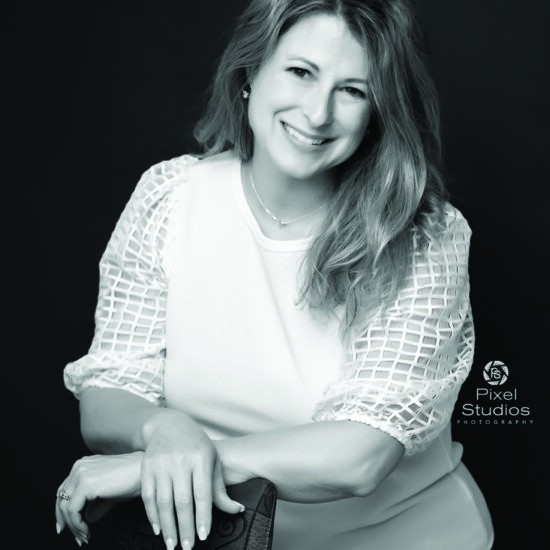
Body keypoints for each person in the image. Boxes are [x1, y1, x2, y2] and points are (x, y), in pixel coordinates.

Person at [55, 0, 494, 549]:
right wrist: (161, 430)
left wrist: (167, 462)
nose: (317, 113)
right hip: (228, 542)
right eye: (301, 72)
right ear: (249, 73)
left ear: (379, 112)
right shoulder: (169, 197)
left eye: (353, 91)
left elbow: (360, 457)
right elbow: (109, 390)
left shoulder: (422, 235)